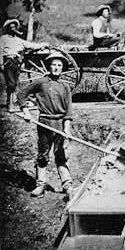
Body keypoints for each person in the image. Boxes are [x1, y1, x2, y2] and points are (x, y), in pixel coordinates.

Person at [17, 51, 74, 199]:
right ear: (49, 66)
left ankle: (68, 186)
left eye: (59, 65)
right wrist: (26, 112)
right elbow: (21, 94)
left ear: (62, 68)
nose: (56, 67)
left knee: (61, 155)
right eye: (53, 64)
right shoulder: (41, 82)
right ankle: (40, 185)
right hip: (44, 123)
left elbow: (68, 110)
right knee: (43, 155)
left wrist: (67, 128)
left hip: (60, 124)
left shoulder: (65, 86)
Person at [0, 19, 49, 110]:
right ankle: (10, 105)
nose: (13, 29)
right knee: (12, 83)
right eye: (11, 28)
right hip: (8, 62)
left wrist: (42, 45)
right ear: (8, 29)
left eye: (15, 27)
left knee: (15, 83)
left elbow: (31, 45)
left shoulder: (19, 40)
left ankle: (12, 103)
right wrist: (1, 64)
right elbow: (0, 52)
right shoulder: (3, 38)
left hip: (16, 63)